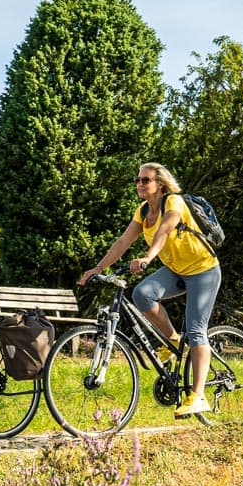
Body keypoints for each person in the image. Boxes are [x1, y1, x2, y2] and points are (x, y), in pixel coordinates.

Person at [78, 162, 220, 417]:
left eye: (146, 180)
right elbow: (123, 241)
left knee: (197, 330)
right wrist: (98, 268)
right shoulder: (143, 211)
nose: (140, 184)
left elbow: (165, 230)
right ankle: (174, 340)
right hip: (177, 270)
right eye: (138, 180)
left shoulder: (174, 202)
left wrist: (148, 258)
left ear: (160, 184)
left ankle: (198, 396)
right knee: (142, 294)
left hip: (203, 270)